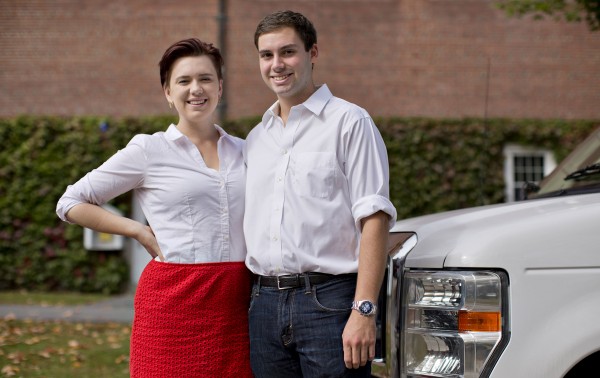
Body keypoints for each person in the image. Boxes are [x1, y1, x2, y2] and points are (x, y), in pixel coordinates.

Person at [56, 38, 252, 377]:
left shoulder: (248, 150)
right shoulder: (149, 150)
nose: (196, 89)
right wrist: (137, 230)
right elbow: (71, 202)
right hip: (172, 303)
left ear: (220, 87)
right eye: (184, 81)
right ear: (167, 92)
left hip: (239, 303)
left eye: (205, 79)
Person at [244, 10, 397, 378]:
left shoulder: (350, 122)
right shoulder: (255, 139)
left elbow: (374, 218)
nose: (276, 65)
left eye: (288, 52)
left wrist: (363, 311)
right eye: (267, 55)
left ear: (313, 53)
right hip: (263, 305)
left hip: (328, 304)